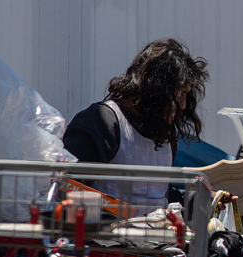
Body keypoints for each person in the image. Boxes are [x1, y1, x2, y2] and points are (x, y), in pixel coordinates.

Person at [63, 38, 210, 214]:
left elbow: (154, 193)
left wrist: (204, 200)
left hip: (156, 237)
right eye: (180, 94)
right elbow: (66, 187)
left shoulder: (164, 133)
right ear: (157, 90)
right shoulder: (102, 122)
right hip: (108, 238)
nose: (184, 105)